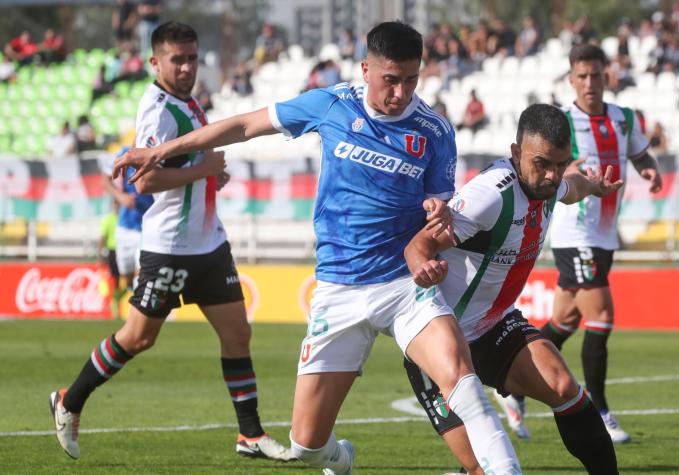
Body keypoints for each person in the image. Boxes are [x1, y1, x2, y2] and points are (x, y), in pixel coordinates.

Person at [113, 21, 521, 475]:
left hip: (402, 287)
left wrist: (437, 213)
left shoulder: (435, 131)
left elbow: (439, 214)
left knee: (460, 379)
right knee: (305, 446)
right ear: (366, 69)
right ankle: (339, 459)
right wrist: (161, 150)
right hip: (339, 289)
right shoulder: (331, 105)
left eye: (411, 80)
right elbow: (245, 125)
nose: (401, 93)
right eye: (391, 79)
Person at [49, 21, 293, 462]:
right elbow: (146, 180)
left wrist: (210, 170)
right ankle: (69, 400)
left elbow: (192, 161)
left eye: (192, 58)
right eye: (177, 60)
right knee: (138, 338)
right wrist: (203, 169)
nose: (186, 67)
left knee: (237, 334)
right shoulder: (158, 108)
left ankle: (250, 435)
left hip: (209, 243)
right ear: (154, 62)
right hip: (171, 247)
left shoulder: (189, 102)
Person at [404, 104, 621, 475]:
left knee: (563, 385)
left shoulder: (549, 181)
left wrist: (596, 187)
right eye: (541, 164)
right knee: (483, 468)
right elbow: (418, 246)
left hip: (492, 327)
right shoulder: (489, 196)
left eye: (559, 164)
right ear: (516, 152)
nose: (551, 175)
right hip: (439, 340)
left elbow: (572, 186)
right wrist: (423, 269)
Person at [504, 43, 663, 445]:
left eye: (596, 75)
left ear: (606, 76)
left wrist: (650, 172)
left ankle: (512, 384)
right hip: (575, 231)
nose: (590, 82)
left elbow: (641, 155)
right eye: (582, 76)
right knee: (603, 314)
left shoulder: (623, 119)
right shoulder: (564, 121)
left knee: (566, 320)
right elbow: (557, 165)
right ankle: (602, 410)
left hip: (606, 232)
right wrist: (575, 172)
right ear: (572, 79)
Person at [101, 147, 155, 317]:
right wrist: (120, 197)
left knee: (142, 273)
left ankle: (138, 313)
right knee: (126, 275)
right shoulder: (124, 152)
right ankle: (124, 299)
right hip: (125, 227)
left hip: (147, 227)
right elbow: (105, 179)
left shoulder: (157, 151)